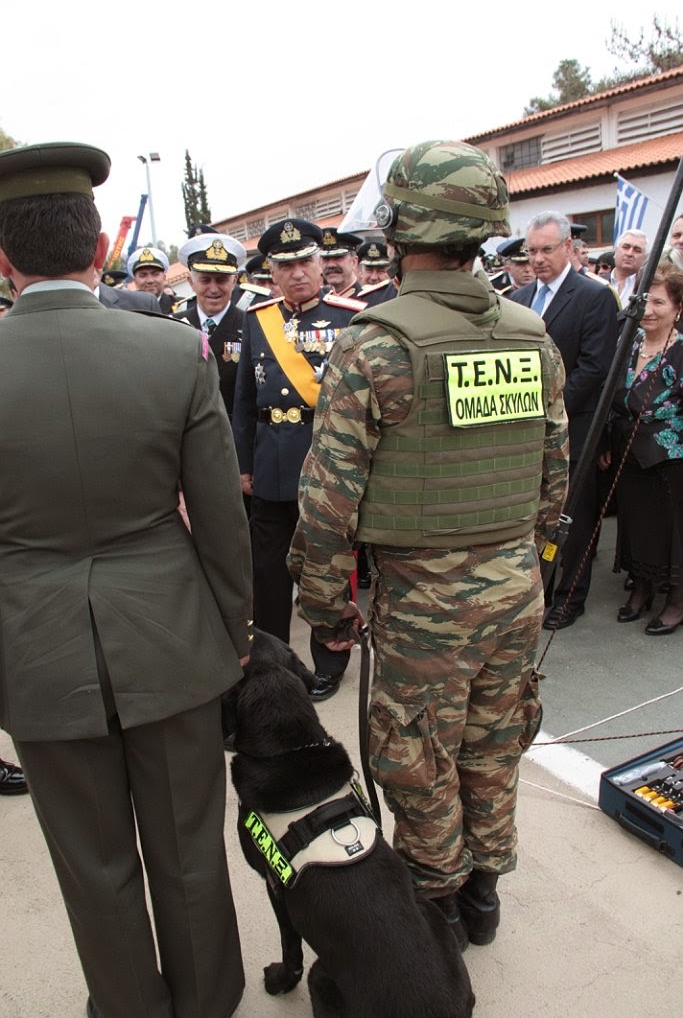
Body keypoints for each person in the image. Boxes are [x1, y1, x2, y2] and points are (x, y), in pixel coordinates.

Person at [288, 140, 569, 948]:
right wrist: (523, 551)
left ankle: (437, 907)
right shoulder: (530, 333)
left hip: (422, 597)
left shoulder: (374, 343)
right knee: (496, 738)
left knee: (415, 753)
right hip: (515, 584)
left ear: (401, 227)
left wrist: (322, 606)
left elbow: (327, 502)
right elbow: (554, 469)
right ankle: (484, 894)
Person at [0, 141, 252, 1018]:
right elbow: (222, 519)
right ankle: (207, 1002)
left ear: (2, 261)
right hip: (173, 639)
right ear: (99, 248)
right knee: (188, 848)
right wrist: (233, 636)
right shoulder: (173, 352)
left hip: (32, 648)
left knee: (92, 863)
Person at [232, 218, 365, 701]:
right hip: (269, 464)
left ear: (321, 263)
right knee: (266, 574)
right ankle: (273, 660)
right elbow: (244, 399)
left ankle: (331, 658)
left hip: (326, 461)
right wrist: (243, 465)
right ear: (271, 270)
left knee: (328, 568)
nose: (297, 274)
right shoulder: (257, 318)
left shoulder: (351, 316)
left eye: (305, 262)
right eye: (285, 266)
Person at [511, 210, 619, 629]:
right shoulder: (518, 301)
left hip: (574, 428)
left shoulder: (593, 296)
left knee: (573, 516)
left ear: (569, 249)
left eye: (547, 249)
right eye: (532, 250)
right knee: (536, 516)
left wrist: (546, 415)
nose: (538, 258)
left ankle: (571, 597)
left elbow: (594, 369)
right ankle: (539, 592)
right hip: (526, 432)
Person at [599, 264, 683, 634]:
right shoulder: (628, 340)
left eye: (659, 302)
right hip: (627, 453)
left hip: (670, 461)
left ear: (678, 308)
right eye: (644, 299)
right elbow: (609, 396)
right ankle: (642, 589)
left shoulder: (681, 351)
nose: (648, 309)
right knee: (635, 526)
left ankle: (677, 601)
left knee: (671, 532)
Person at [175, 232, 247, 420]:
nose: (213, 289)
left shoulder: (251, 326)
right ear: (190, 282)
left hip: (233, 436)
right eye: (205, 280)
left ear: (234, 281)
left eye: (221, 279)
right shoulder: (173, 325)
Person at [128, 245, 180, 314]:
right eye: (143, 275)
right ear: (135, 281)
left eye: (155, 274)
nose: (150, 280)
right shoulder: (126, 309)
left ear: (164, 278)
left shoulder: (180, 305)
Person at [319, 227, 363, 296]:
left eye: (338, 257)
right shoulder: (323, 301)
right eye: (326, 258)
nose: (331, 265)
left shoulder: (371, 301)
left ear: (354, 262)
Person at [356, 239, 398, 307]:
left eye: (381, 271)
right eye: (369, 270)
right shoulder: (350, 300)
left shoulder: (397, 299)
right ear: (360, 272)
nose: (374, 277)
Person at [610, 229, 648, 303]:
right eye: (625, 247)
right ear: (615, 251)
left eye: (637, 250)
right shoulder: (598, 281)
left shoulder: (648, 286)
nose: (629, 253)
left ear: (645, 258)